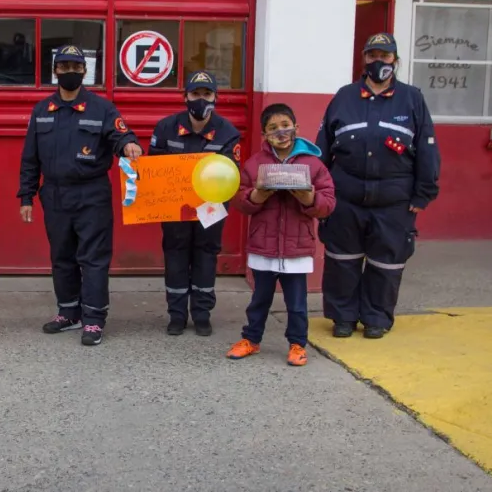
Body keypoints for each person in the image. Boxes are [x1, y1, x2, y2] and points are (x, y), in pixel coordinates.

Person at [316, 33, 440, 339]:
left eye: (384, 57)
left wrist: (423, 193)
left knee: (386, 263)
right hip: (346, 198)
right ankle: (342, 317)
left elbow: (427, 148)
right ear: (364, 60)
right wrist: (322, 192)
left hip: (394, 201)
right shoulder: (343, 97)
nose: (378, 62)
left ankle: (376, 318)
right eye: (372, 56)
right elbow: (322, 149)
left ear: (395, 61)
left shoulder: (412, 99)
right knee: (342, 261)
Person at [18, 44, 142, 346]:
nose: (70, 72)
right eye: (64, 67)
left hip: (92, 194)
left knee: (93, 259)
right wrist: (26, 196)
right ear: (55, 71)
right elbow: (30, 158)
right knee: (62, 257)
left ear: (85, 71)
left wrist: (129, 144)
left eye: (76, 67)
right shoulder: (42, 111)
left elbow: (119, 133)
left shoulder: (101, 108)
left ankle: (94, 320)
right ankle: (69, 313)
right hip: (55, 195)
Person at [227, 104, 335, 366]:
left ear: (296, 128)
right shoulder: (255, 164)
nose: (281, 132)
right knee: (259, 299)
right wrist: (257, 195)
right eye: (273, 128)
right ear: (264, 134)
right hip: (263, 244)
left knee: (297, 303)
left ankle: (298, 344)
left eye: (286, 125)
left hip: (297, 245)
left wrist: (309, 198)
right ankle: (251, 339)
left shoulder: (313, 164)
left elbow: (328, 202)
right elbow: (239, 199)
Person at [148, 71, 241, 336]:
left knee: (205, 257)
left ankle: (202, 314)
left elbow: (231, 176)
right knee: (175, 256)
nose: (201, 99)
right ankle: (176, 315)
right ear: (185, 97)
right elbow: (153, 169)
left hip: (211, 208)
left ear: (216, 97)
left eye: (207, 94)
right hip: (175, 207)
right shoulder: (165, 128)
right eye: (195, 94)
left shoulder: (228, 132)